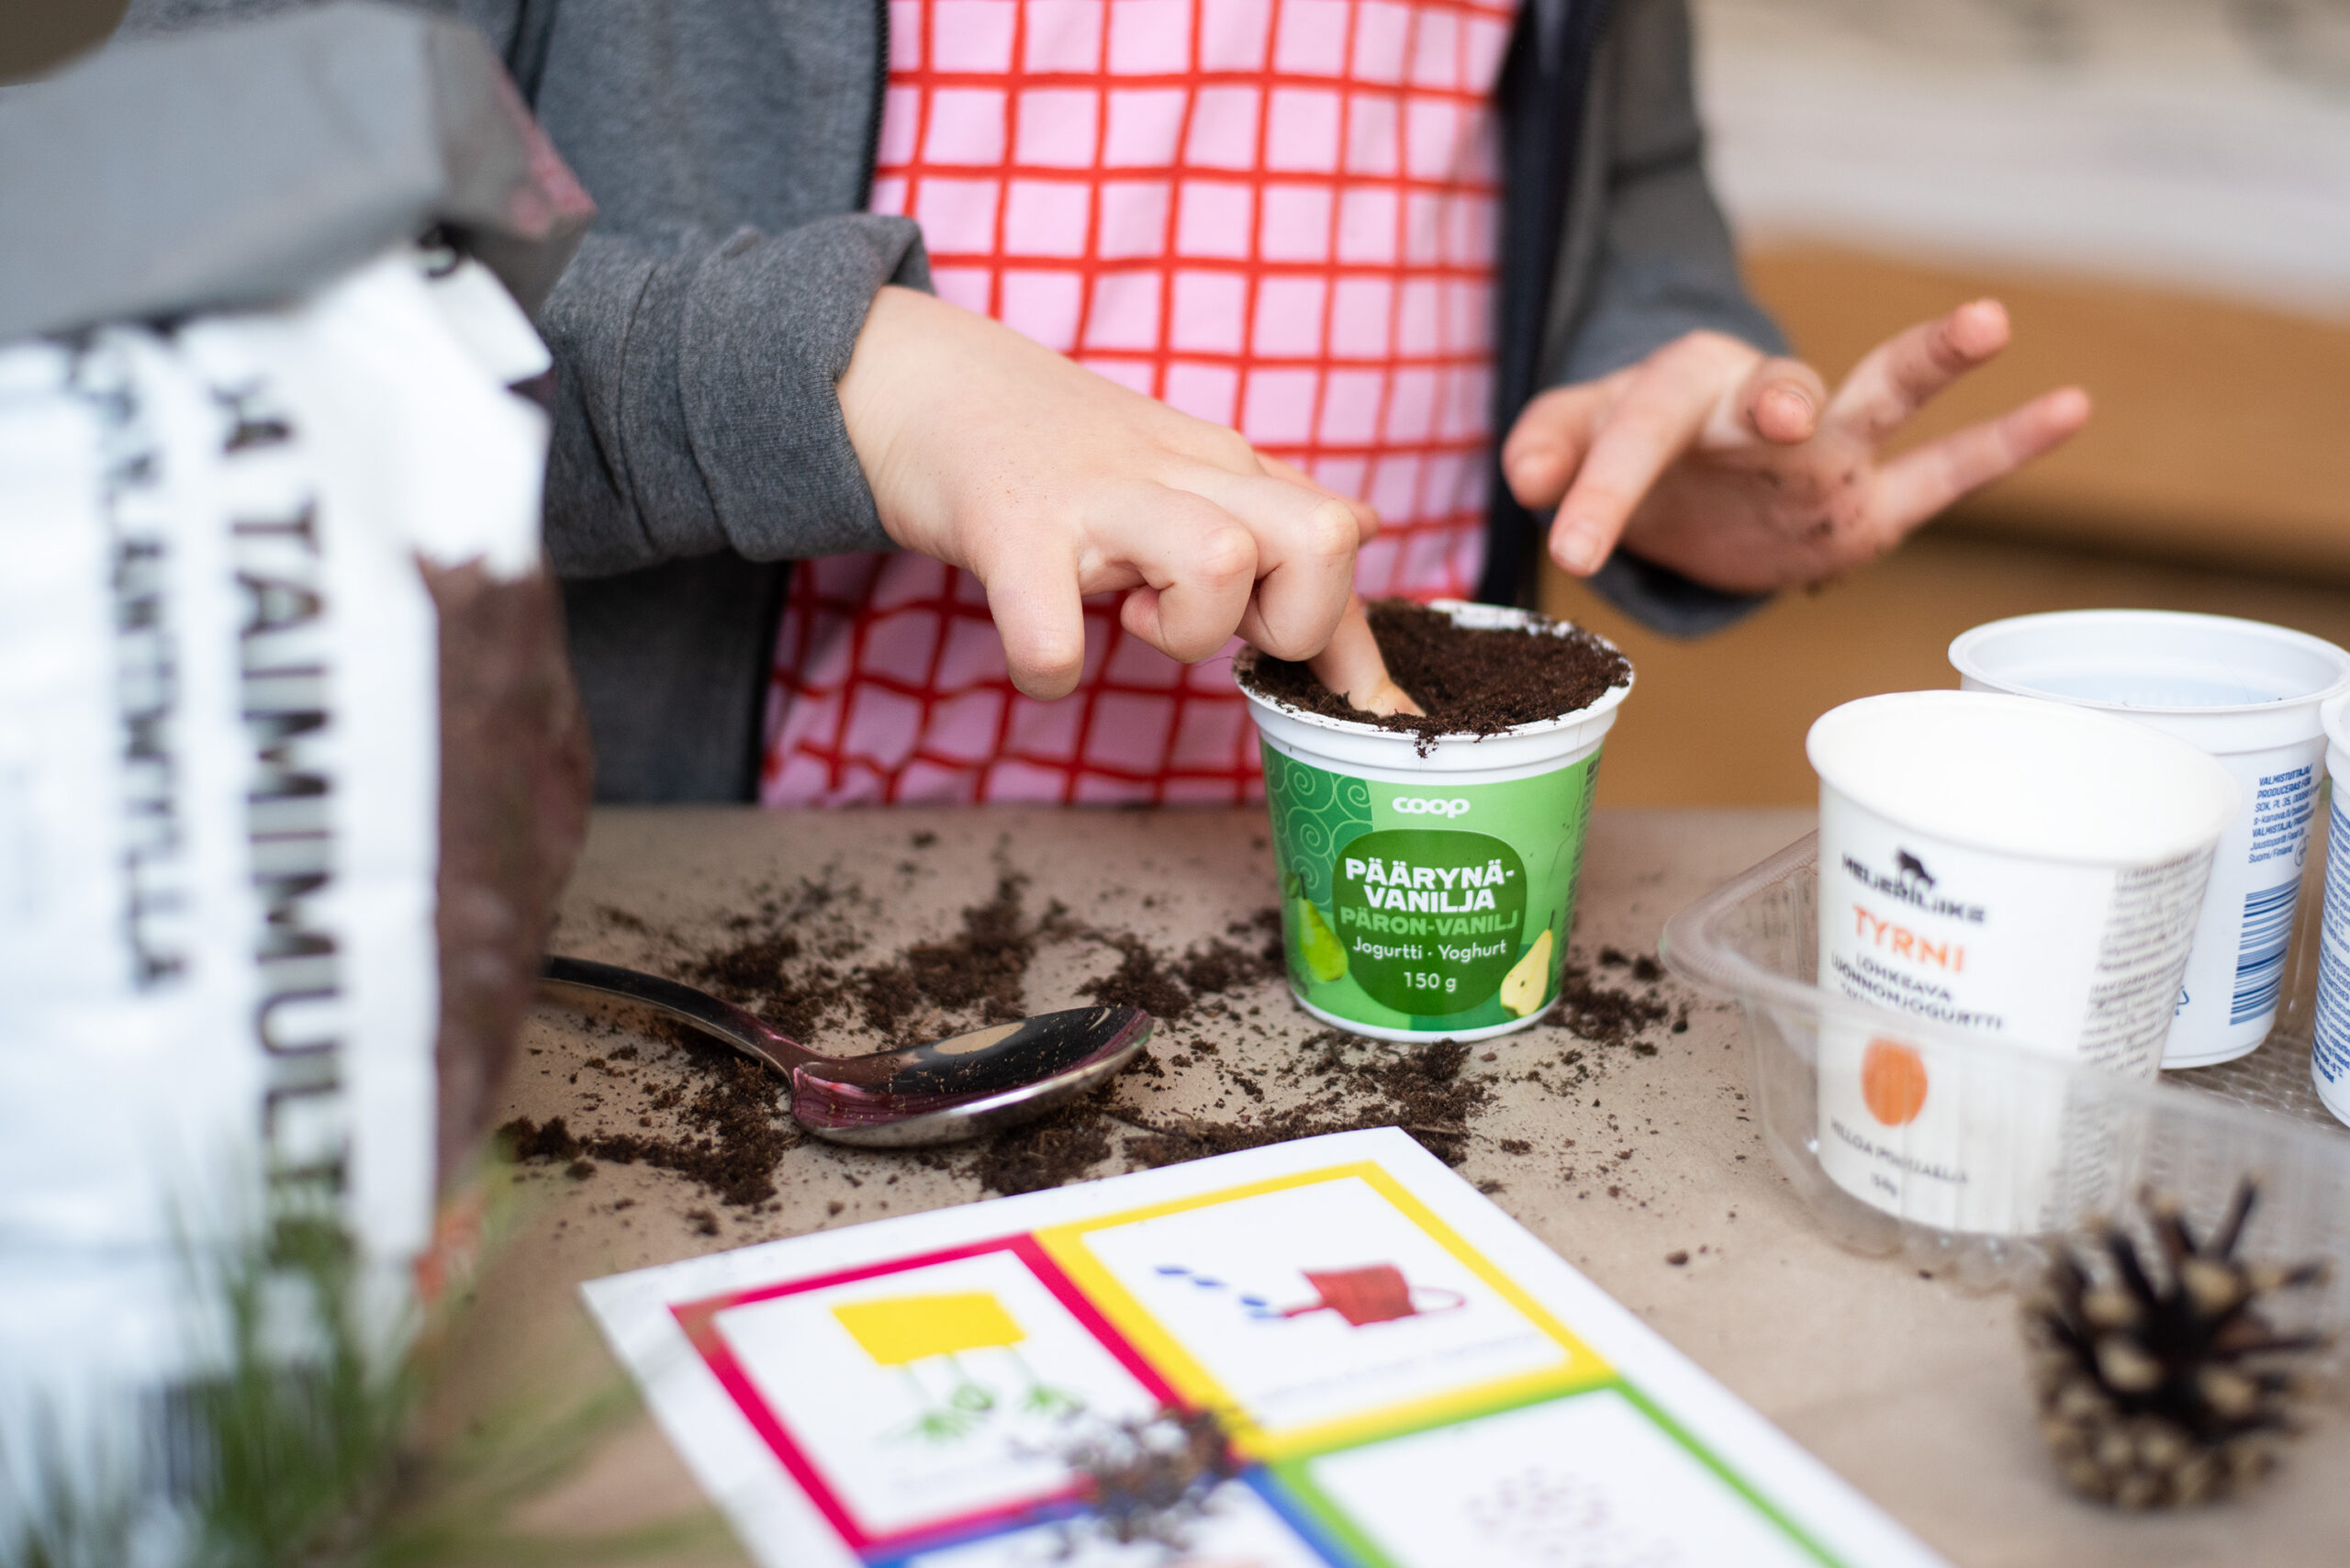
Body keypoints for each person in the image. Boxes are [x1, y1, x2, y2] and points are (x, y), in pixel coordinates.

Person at [129, 0, 2089, 804]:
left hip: (1337, 916)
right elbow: (191, 268)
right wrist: (855, 372)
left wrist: (1662, 404)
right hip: (703, 959)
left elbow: (1618, 186)